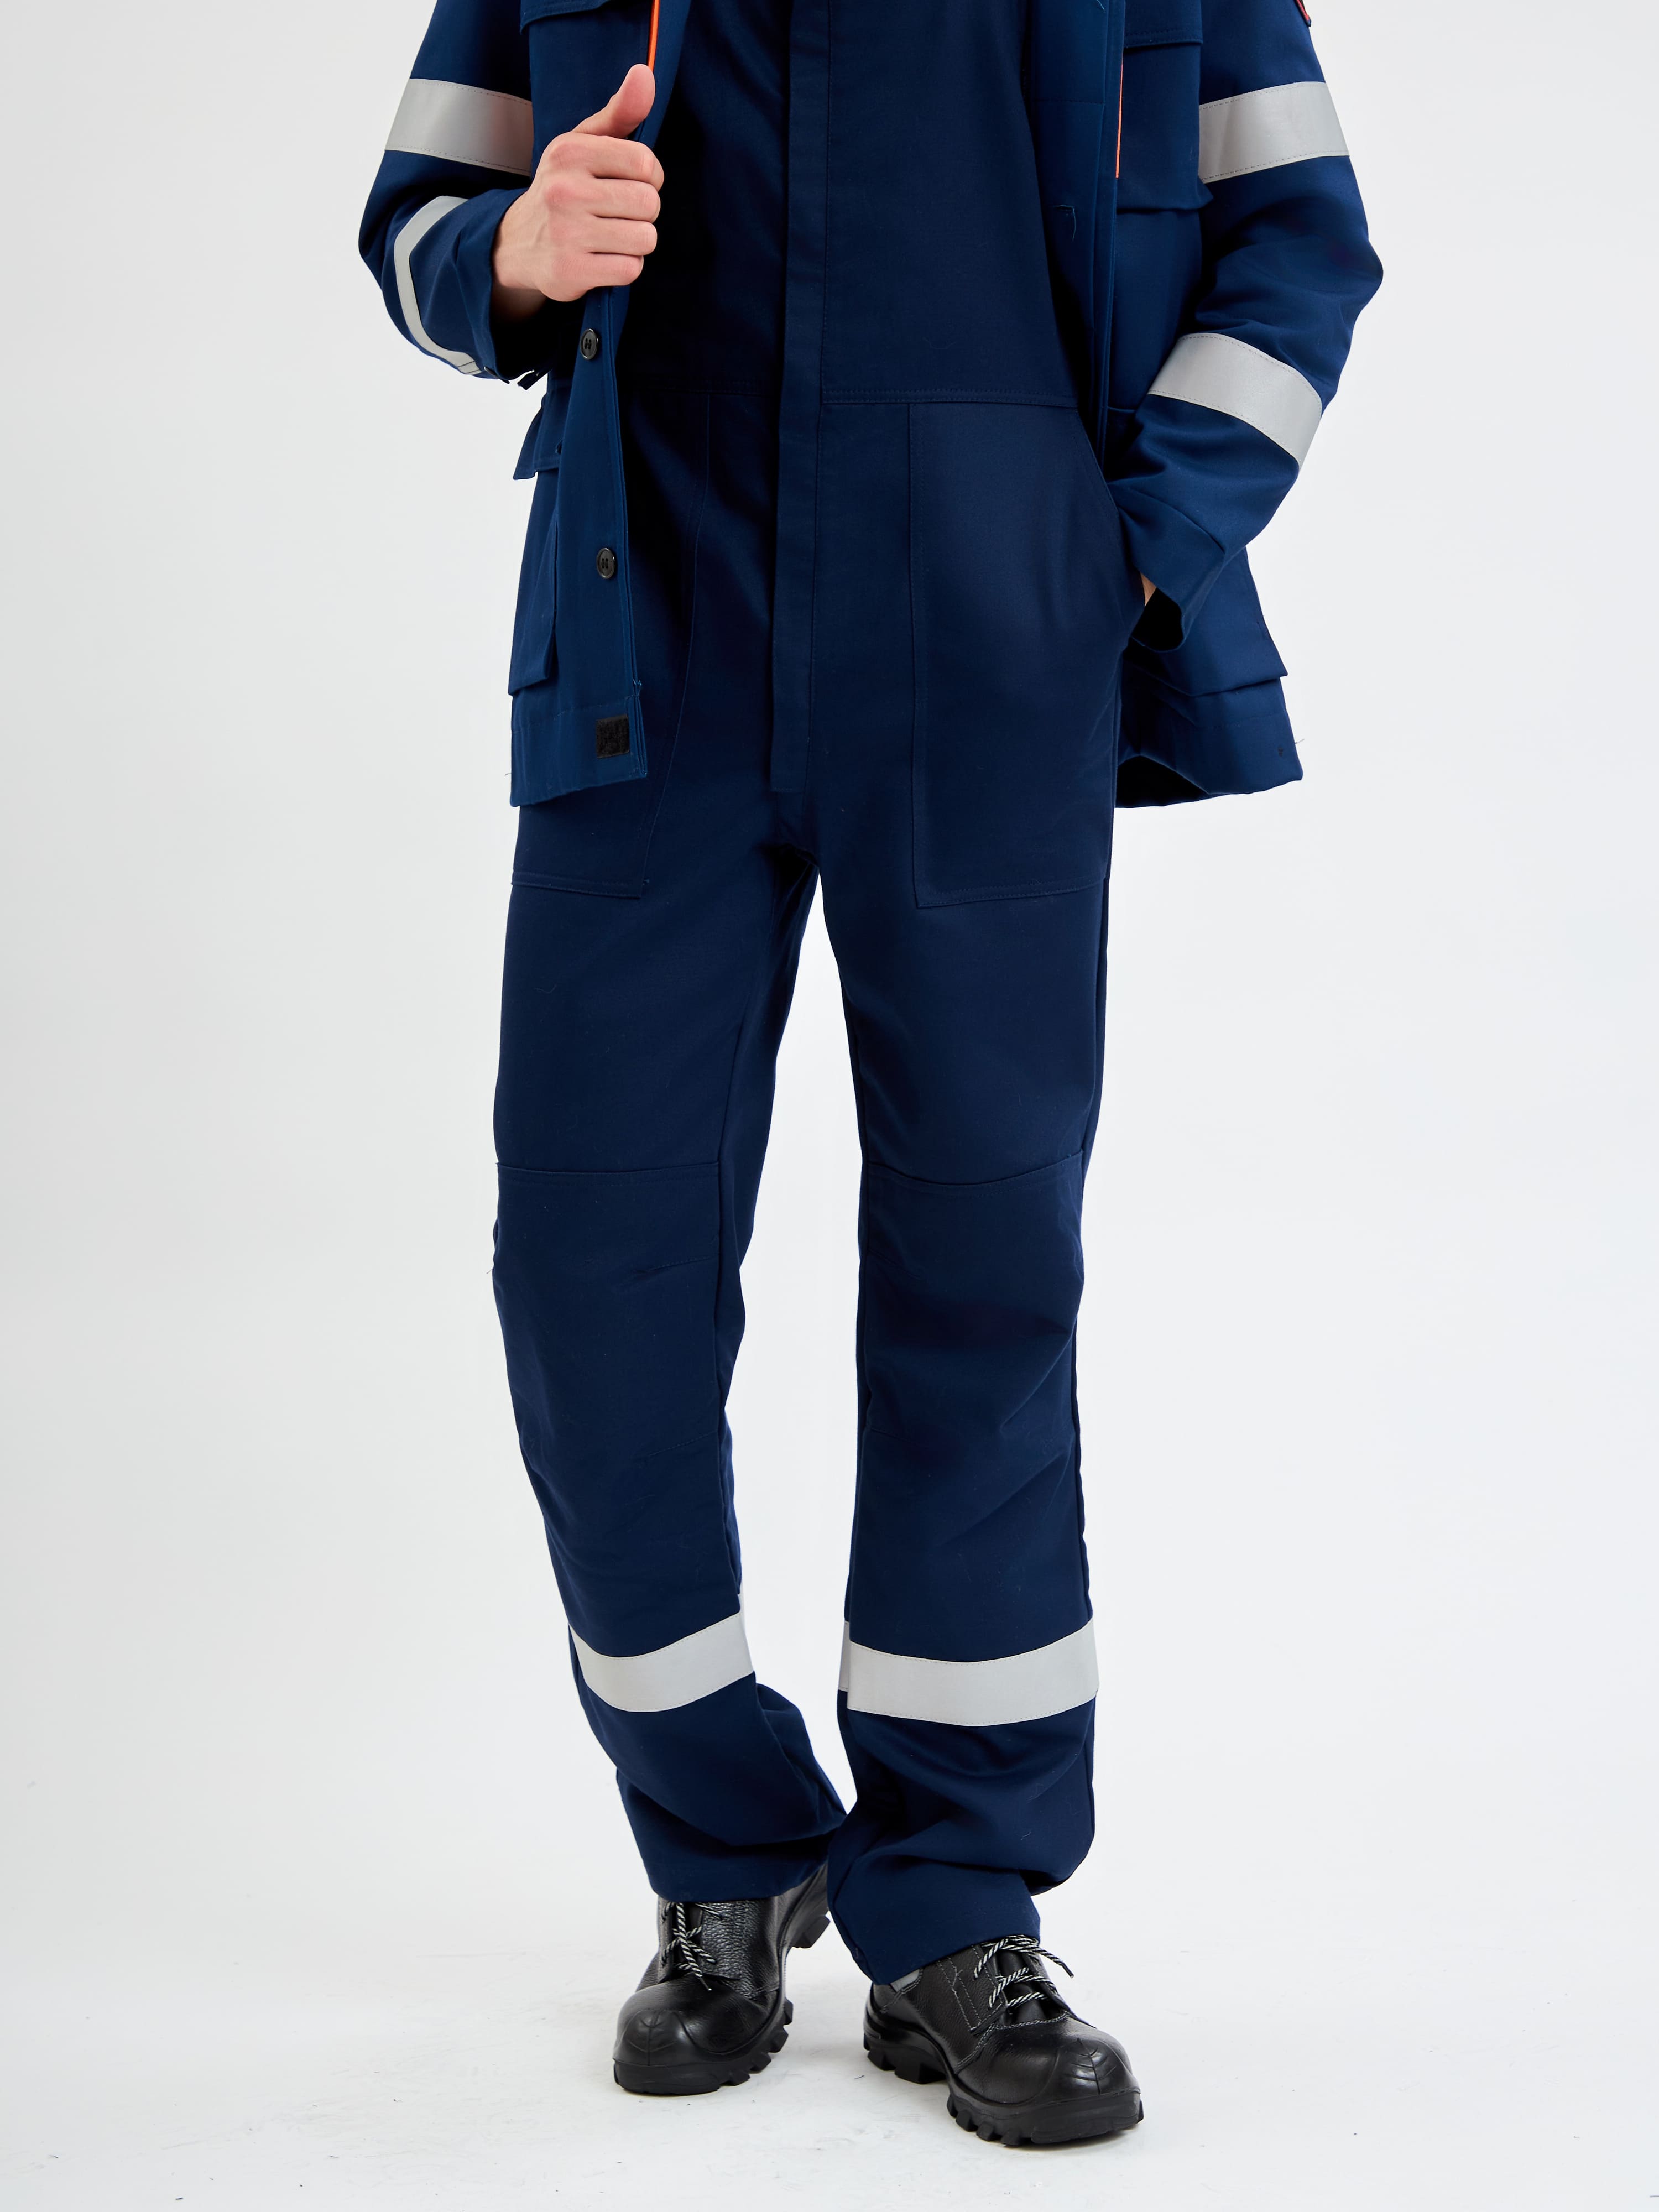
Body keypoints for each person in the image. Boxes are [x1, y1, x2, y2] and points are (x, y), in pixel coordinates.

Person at [360, 0, 1378, 2145]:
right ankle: (720, 1841)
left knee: (982, 1272)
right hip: (653, 621)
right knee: (590, 1268)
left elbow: (1301, 232)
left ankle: (957, 1900)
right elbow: (423, 217)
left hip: (991, 626)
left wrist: (1130, 543)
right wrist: (513, 258)